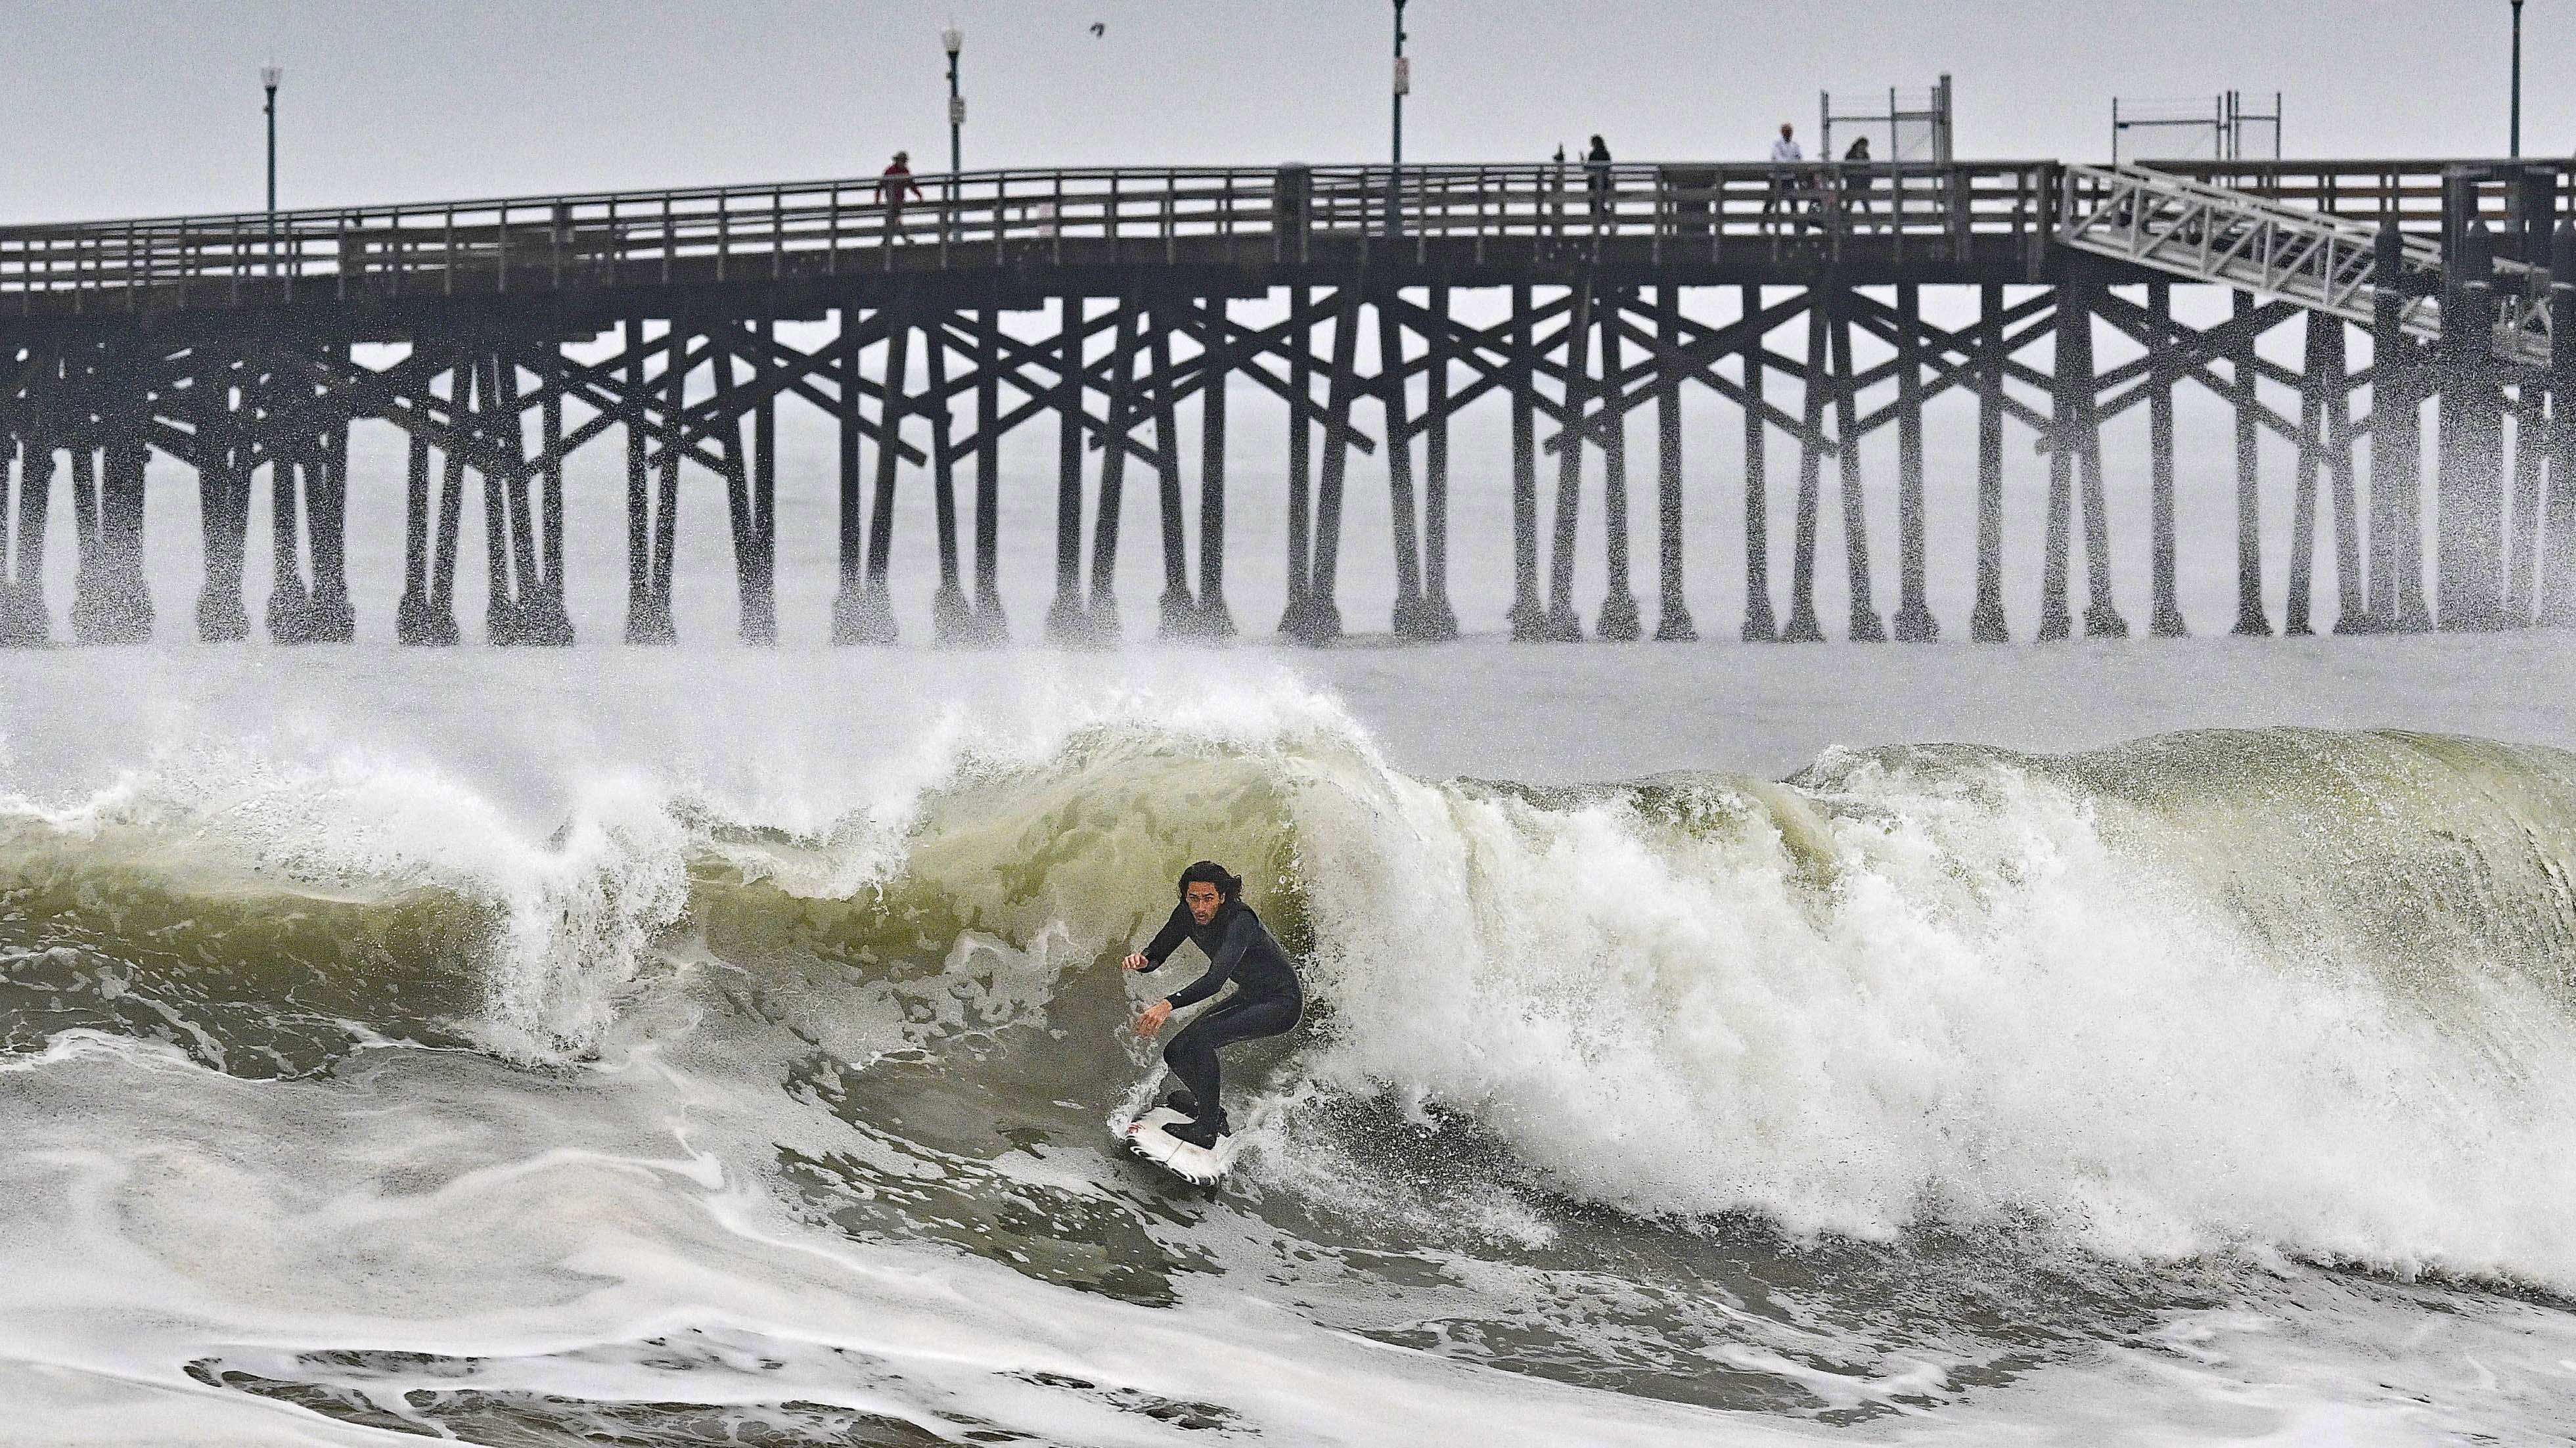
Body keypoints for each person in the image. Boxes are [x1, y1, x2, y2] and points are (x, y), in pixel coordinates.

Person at [1122, 860, 1303, 1148]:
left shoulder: (1241, 920)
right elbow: (1157, 953)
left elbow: (1215, 980)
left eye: (1208, 899)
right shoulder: (1187, 915)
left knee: (1202, 1042)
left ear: (1222, 896)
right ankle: (1212, 1112)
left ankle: (1206, 1130)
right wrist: (1143, 961)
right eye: (1194, 898)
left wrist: (1167, 1004)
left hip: (1281, 1002)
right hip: (1251, 994)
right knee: (1177, 1051)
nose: (1201, 908)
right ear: (1185, 897)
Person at [1763, 122, 1805, 234]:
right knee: (1771, 200)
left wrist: (1791, 163)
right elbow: (1779, 159)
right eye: (1786, 131)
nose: (1788, 134)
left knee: (1793, 201)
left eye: (1790, 132)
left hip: (1789, 177)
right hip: (1777, 178)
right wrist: (1791, 163)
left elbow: (1800, 158)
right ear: (1782, 132)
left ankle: (1797, 226)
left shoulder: (1795, 145)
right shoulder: (1777, 144)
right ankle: (1763, 223)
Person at [878, 151, 923, 243]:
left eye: (904, 161)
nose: (903, 163)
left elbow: (911, 185)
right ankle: (901, 239)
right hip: (892, 199)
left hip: (899, 200)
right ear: (897, 161)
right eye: (901, 161)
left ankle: (888, 240)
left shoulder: (905, 172)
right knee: (894, 219)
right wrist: (877, 200)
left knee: (893, 220)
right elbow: (880, 186)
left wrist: (919, 195)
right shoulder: (890, 171)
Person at [1840, 135, 1873, 231]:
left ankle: (1872, 225)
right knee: (1849, 206)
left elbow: (1869, 170)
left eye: (1865, 146)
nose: (1863, 148)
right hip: (1852, 185)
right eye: (1862, 145)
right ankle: (1846, 226)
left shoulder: (1866, 156)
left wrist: (1868, 183)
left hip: (1863, 185)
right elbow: (1845, 169)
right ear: (1858, 145)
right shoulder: (1850, 155)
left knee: (1866, 205)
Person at [1585, 135, 1614, 227]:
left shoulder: (1593, 154)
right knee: (1600, 202)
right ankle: (1604, 221)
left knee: (1595, 203)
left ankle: (1597, 225)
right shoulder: (1605, 154)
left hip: (1594, 182)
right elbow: (1608, 167)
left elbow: (1589, 169)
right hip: (1602, 182)